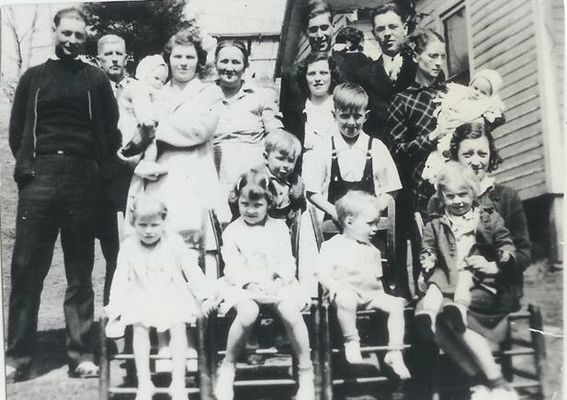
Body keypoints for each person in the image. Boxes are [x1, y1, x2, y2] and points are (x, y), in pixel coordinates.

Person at [6, 7, 119, 380]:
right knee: (26, 270)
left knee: (79, 271)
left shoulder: (96, 80)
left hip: (83, 178)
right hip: (40, 177)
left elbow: (110, 131)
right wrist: (30, 170)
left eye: (78, 36)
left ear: (85, 38)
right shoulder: (33, 78)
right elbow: (17, 130)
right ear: (55, 32)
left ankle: (81, 353)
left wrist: (95, 170)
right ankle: (18, 357)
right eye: (66, 33)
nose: (71, 41)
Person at [421, 122, 531, 400]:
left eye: (482, 154)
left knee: (446, 312)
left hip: (495, 286)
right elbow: (433, 242)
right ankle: (483, 380)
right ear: (455, 155)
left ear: (491, 156)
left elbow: (523, 252)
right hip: (450, 282)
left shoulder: (505, 197)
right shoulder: (441, 200)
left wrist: (496, 266)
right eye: (468, 153)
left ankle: (489, 382)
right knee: (431, 314)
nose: (476, 161)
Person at [214, 170, 314, 400]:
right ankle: (228, 367)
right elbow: (232, 267)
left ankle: (306, 371)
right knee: (248, 312)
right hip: (242, 286)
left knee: (291, 310)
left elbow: (287, 260)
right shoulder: (232, 231)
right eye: (244, 203)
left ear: (269, 202)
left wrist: (279, 281)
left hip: (275, 284)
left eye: (257, 204)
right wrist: (249, 284)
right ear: (237, 200)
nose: (250, 210)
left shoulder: (278, 227)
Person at [104, 195, 216, 400]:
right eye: (142, 225)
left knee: (178, 325)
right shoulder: (129, 246)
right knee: (139, 328)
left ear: (164, 222)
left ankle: (178, 382)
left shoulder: (173, 242)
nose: (148, 231)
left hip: (172, 294)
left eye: (154, 225)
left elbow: (191, 269)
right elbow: (120, 276)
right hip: (142, 295)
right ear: (133, 224)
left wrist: (205, 295)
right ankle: (145, 382)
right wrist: (115, 304)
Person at [416, 161, 515, 340]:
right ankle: (428, 317)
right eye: (451, 196)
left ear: (473, 192)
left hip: (473, 270)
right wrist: (428, 257)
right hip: (445, 271)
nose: (458, 201)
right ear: (442, 197)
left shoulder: (487, 219)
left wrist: (503, 257)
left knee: (464, 282)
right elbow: (428, 246)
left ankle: (459, 312)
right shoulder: (435, 224)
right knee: (433, 289)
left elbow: (504, 241)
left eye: (463, 195)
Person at [316, 191, 410, 378]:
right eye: (370, 224)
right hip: (345, 293)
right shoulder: (333, 245)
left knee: (397, 306)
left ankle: (395, 351)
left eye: (376, 223)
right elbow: (321, 273)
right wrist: (334, 287)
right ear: (349, 222)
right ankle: (351, 341)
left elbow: (376, 282)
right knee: (347, 299)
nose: (375, 229)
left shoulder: (373, 250)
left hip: (370, 295)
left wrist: (386, 297)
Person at [386, 29, 447, 293]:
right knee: (428, 253)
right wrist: (431, 137)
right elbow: (396, 150)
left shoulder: (450, 94)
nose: (438, 63)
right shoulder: (403, 100)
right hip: (420, 190)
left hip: (451, 184)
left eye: (443, 57)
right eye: (432, 56)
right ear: (415, 55)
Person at [212, 40, 283, 197]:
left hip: (253, 175)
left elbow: (277, 138)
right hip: (215, 173)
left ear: (245, 65)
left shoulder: (262, 96)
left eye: (236, 62)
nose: (229, 68)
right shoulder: (204, 96)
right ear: (215, 63)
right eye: (224, 61)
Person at [96, 33, 135, 305]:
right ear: (98, 60)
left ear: (126, 57)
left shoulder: (139, 87)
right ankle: (114, 321)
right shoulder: (92, 90)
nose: (114, 59)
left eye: (118, 54)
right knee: (115, 253)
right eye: (108, 54)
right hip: (106, 182)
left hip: (137, 178)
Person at [421, 69, 505, 184]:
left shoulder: (484, 109)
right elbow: (443, 110)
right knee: (441, 157)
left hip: (465, 138)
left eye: (483, 92)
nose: (477, 93)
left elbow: (496, 119)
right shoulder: (458, 97)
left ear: (490, 96)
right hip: (448, 131)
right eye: (475, 88)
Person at [354, 3, 416, 141]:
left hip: (417, 152)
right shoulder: (362, 76)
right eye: (381, 29)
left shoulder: (420, 70)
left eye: (393, 27)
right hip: (380, 153)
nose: (387, 33)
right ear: (374, 34)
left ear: (405, 29)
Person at [280, 0, 334, 138]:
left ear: (332, 27)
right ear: (305, 32)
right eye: (313, 29)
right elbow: (288, 122)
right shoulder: (291, 75)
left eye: (324, 27)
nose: (320, 35)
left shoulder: (349, 68)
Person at [230, 131, 306, 225]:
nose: (286, 165)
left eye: (290, 160)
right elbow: (235, 202)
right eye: (280, 159)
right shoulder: (255, 179)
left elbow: (299, 207)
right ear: (266, 157)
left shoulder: (294, 183)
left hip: (281, 230)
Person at [117, 54, 169, 159]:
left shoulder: (155, 92)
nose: (159, 83)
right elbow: (141, 106)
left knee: (152, 145)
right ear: (145, 74)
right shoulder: (138, 87)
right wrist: (146, 120)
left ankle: (148, 163)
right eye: (156, 78)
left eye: (163, 81)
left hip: (145, 129)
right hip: (131, 125)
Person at [296, 52, 342, 167]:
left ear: (331, 75)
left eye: (323, 73)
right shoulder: (296, 112)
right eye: (312, 74)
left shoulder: (342, 107)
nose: (317, 78)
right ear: (304, 77)